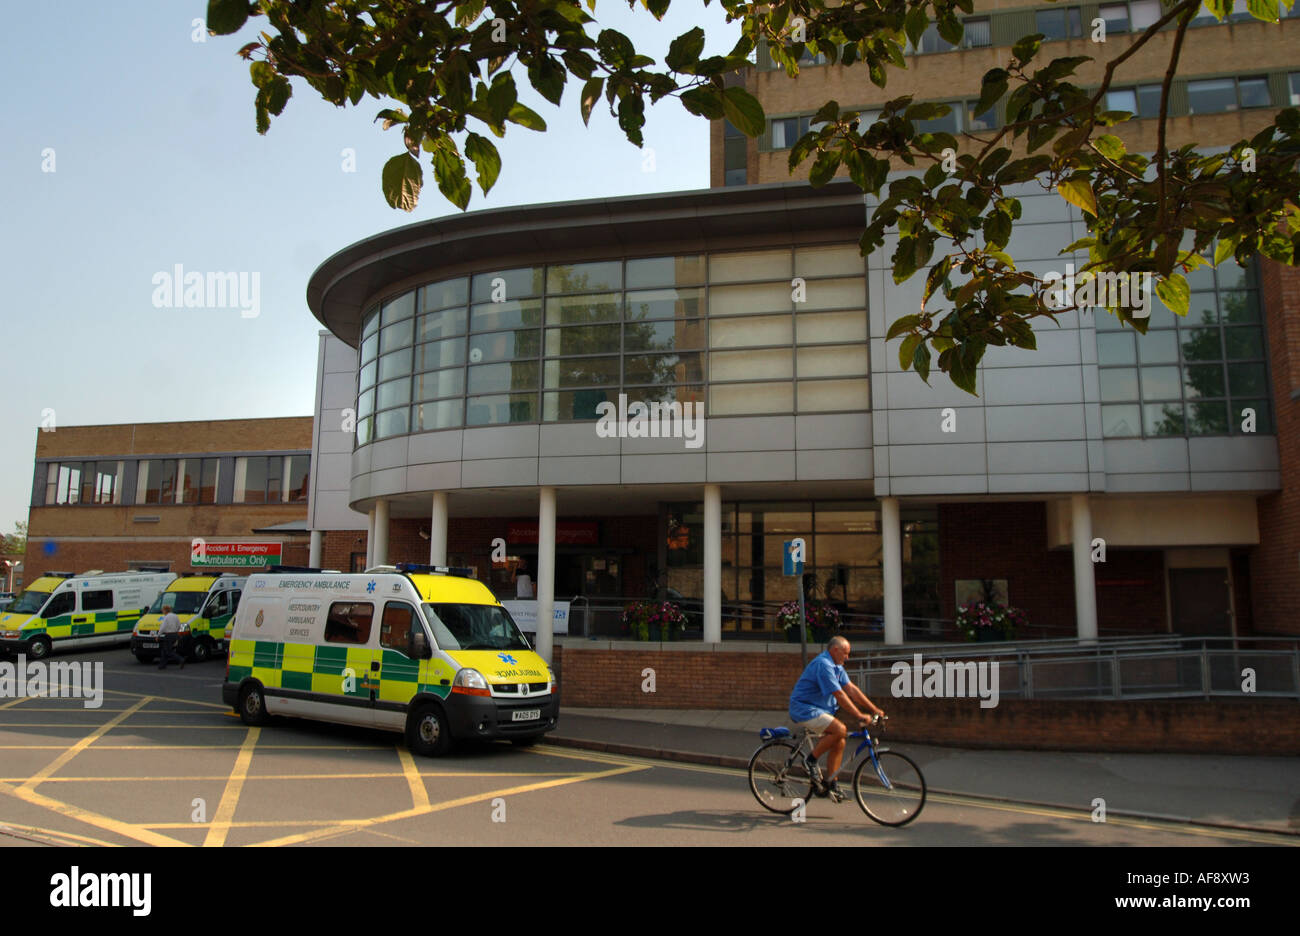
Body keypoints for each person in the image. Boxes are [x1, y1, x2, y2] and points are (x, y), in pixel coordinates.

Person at [788, 635, 884, 800]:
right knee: (840, 729)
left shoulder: (837, 666)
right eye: (845, 653)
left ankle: (832, 784)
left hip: (820, 710)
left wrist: (875, 709)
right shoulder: (823, 665)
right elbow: (839, 694)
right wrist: (860, 715)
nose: (847, 657)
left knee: (840, 740)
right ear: (835, 650)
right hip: (804, 709)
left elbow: (851, 689)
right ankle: (810, 760)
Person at [157, 603, 186, 671]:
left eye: (163, 610)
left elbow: (163, 627)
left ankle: (181, 659)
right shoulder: (175, 616)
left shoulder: (166, 617)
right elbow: (179, 625)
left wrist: (158, 635)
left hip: (168, 635)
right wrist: (176, 632)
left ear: (165, 610)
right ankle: (162, 665)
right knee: (164, 650)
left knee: (168, 651)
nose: (162, 612)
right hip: (175, 634)